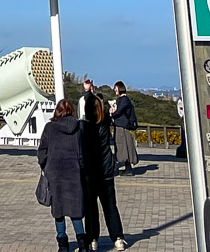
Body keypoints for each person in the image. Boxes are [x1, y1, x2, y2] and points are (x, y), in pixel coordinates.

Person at [37, 97, 88, 252]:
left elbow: (42, 151)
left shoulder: (50, 128)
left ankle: (63, 245)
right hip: (73, 173)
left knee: (58, 211)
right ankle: (82, 243)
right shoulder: (78, 127)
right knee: (75, 210)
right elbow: (82, 152)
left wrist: (44, 164)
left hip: (55, 173)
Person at [80, 92, 128, 251]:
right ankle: (118, 237)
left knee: (91, 207)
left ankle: (92, 239)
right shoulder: (106, 121)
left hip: (90, 172)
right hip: (106, 170)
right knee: (110, 205)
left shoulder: (84, 126)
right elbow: (108, 112)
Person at [111, 82, 140, 172]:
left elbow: (118, 112)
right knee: (125, 146)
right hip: (122, 126)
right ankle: (128, 167)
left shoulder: (123, 100)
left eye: (116, 88)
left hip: (122, 126)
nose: (114, 90)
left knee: (123, 146)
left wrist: (112, 113)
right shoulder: (124, 100)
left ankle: (128, 167)